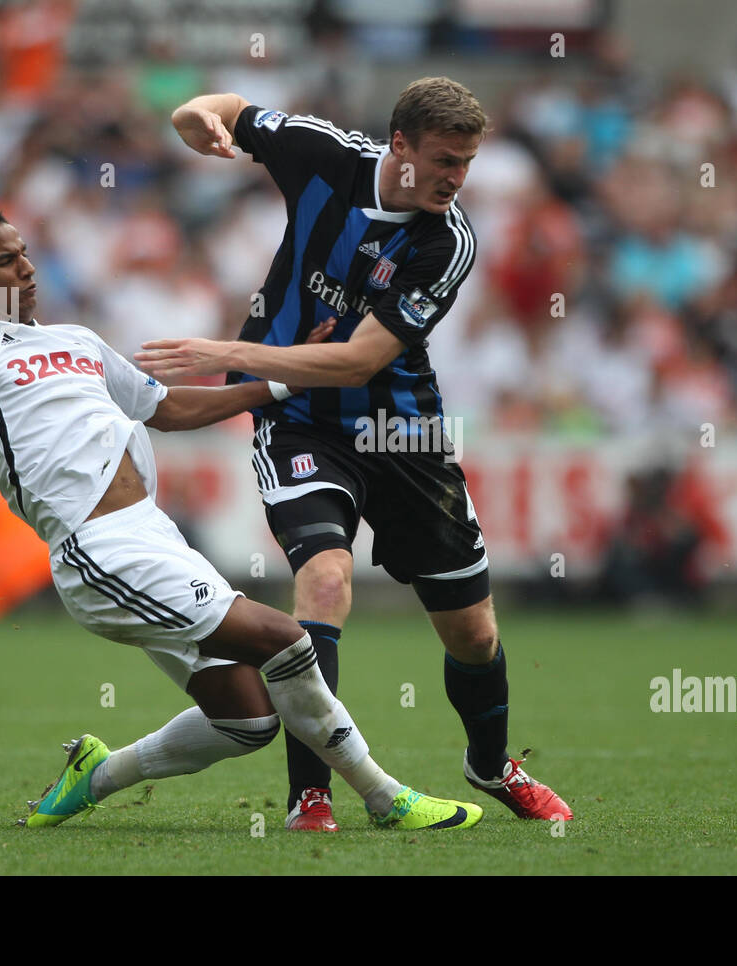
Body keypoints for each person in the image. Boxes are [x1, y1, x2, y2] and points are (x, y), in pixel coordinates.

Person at [0, 180, 482, 832]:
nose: (27, 267)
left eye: (25, 253)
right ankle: (383, 797)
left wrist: (283, 379)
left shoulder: (77, 340)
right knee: (285, 640)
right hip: (96, 549)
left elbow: (168, 409)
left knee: (247, 718)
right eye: (5, 261)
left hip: (154, 535)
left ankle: (97, 773)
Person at [136, 78, 572, 830]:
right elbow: (215, 108)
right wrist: (197, 120)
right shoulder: (322, 154)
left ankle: (490, 764)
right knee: (326, 581)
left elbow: (358, 361)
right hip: (296, 417)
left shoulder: (446, 241)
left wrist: (225, 349)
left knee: (472, 632)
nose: (456, 178)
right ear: (399, 144)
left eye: (467, 163)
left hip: (402, 434)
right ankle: (312, 792)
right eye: (444, 160)